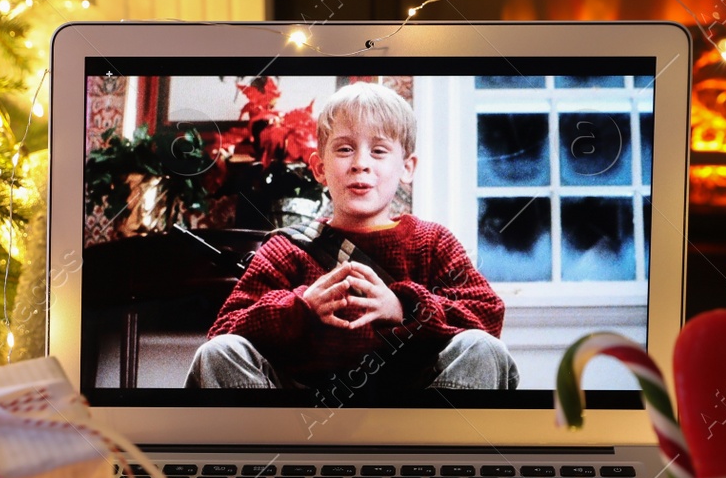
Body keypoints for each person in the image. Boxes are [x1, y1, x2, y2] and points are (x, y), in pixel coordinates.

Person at [186, 81, 517, 396]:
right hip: (299, 411)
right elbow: (224, 330)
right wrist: (301, 307)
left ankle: (432, 453)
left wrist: (404, 308)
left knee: (482, 349)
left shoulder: (432, 242)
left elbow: (486, 314)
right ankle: (271, 455)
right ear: (319, 168)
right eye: (344, 149)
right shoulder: (285, 248)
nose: (360, 164)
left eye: (378, 150)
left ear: (407, 168)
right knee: (220, 352)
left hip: (415, 407)